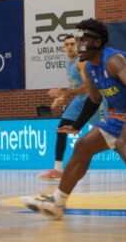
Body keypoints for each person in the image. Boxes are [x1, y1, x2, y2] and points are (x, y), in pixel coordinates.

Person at [22, 18, 126, 229]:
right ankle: (57, 203)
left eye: (82, 40)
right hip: (124, 109)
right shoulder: (89, 69)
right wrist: (77, 125)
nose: (78, 45)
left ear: (97, 42)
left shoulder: (113, 59)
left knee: (125, 142)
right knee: (83, 146)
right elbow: (94, 100)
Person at [39, 35, 108, 181]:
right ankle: (58, 169)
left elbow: (88, 87)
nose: (69, 46)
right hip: (78, 100)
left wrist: (66, 93)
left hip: (92, 99)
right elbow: (75, 85)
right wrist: (63, 97)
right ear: (64, 48)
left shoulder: (81, 62)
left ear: (77, 46)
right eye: (66, 44)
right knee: (61, 128)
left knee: (108, 134)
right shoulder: (67, 62)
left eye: (72, 44)